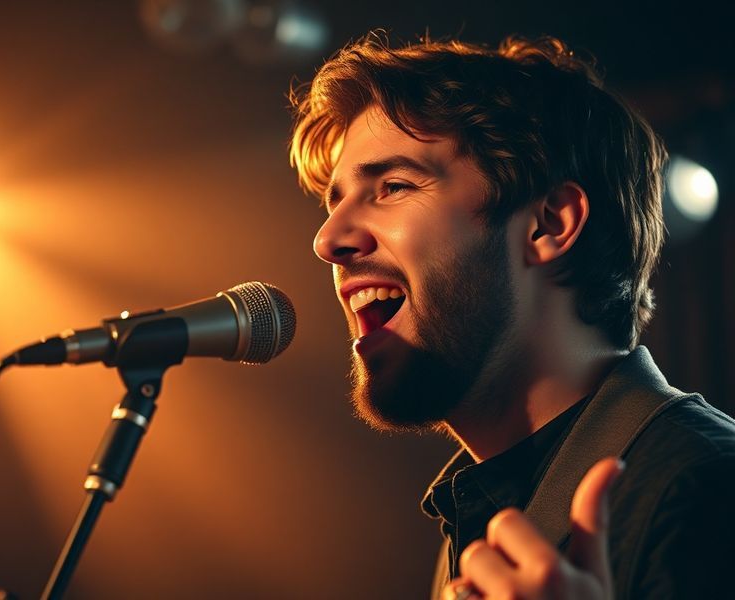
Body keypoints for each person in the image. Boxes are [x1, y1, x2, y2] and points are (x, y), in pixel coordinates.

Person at [289, 33, 735, 599]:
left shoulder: (704, 490)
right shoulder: (475, 522)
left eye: (393, 186)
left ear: (549, 225)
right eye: (336, 202)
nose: (327, 240)